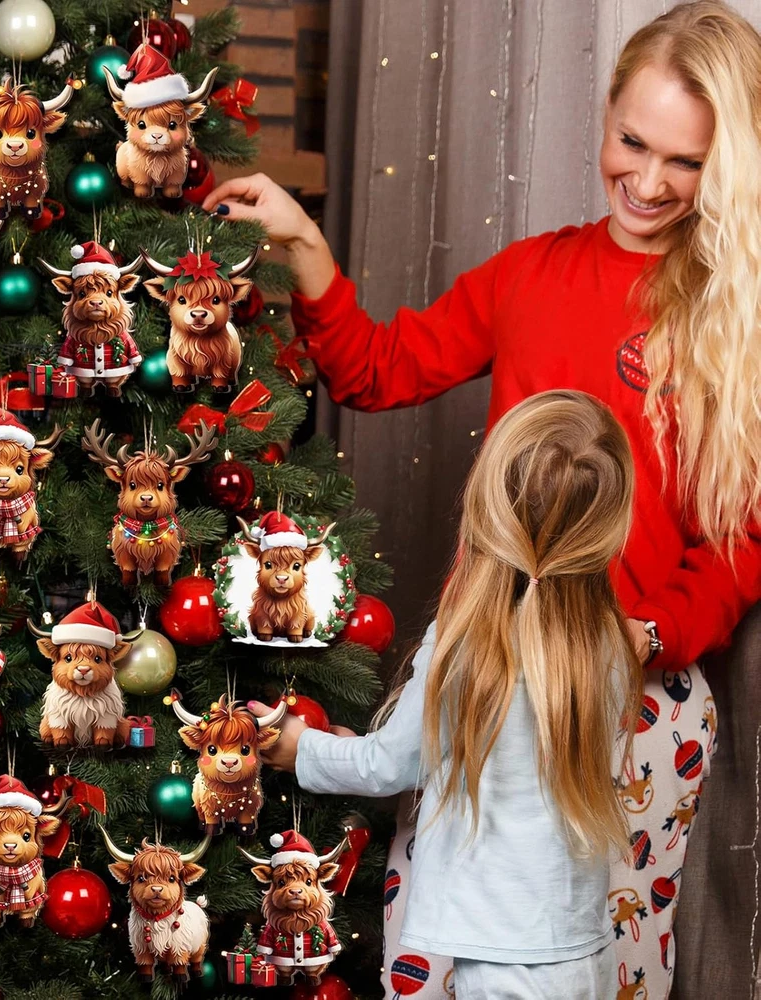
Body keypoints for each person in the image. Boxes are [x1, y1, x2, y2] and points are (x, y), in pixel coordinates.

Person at [206, 2, 761, 995]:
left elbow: (742, 537)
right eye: (633, 143)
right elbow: (376, 369)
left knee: (610, 970)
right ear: (605, 114)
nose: (648, 182)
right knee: (436, 947)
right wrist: (302, 244)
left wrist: (653, 633)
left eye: (687, 161)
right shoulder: (533, 273)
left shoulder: (735, 313)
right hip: (487, 667)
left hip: (633, 697)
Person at [254, 390, 643, 999]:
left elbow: (391, 764)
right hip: (580, 944)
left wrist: (301, 747)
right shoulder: (612, 642)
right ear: (608, 527)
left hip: (499, 957)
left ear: (486, 507)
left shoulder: (466, 643)